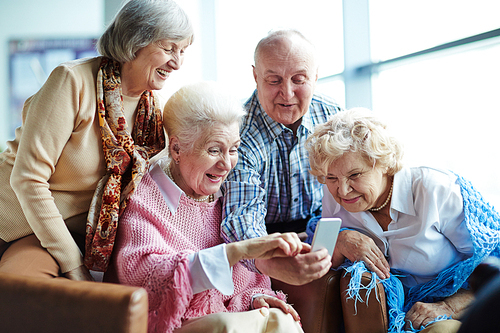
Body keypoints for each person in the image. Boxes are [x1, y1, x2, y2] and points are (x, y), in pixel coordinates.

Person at [0, 0, 193, 281]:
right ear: (134, 40)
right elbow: (28, 180)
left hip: (79, 236)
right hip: (18, 225)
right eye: (168, 48)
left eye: (183, 51)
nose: (177, 63)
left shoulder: (151, 112)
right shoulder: (72, 82)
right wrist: (74, 265)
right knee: (27, 294)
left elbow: (154, 190)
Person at [113, 82, 304, 333]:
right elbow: (143, 275)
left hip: (226, 319)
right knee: (224, 325)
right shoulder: (144, 197)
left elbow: (247, 281)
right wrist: (233, 252)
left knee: (281, 319)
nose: (226, 164)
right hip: (173, 323)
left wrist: (255, 296)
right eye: (214, 150)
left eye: (234, 149)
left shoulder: (228, 195)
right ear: (177, 149)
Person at [305, 107, 500, 333]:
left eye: (355, 175)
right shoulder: (335, 198)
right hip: (396, 317)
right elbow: (317, 261)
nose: (344, 190)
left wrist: (448, 306)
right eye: (331, 178)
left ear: (383, 163)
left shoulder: (434, 190)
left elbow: (494, 265)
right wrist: (340, 240)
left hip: (460, 307)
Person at [221, 29, 341, 285]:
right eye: (274, 80)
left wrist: (347, 233)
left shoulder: (334, 116)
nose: (287, 93)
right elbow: (241, 217)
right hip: (265, 239)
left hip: (325, 228)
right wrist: (269, 259)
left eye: (299, 79)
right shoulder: (236, 133)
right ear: (256, 76)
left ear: (316, 77)